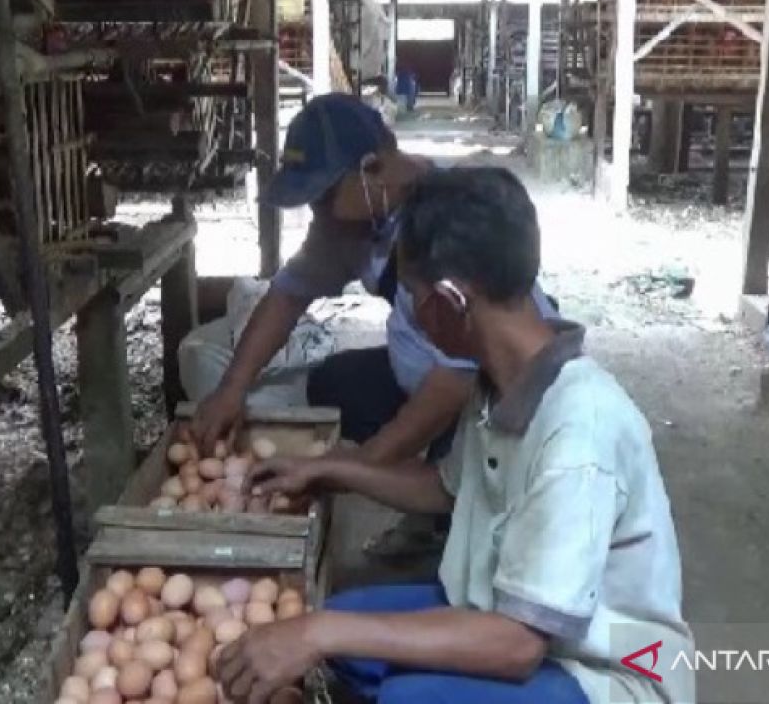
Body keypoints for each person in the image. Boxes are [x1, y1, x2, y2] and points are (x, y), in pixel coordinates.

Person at [216, 167, 694, 704]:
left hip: (602, 669)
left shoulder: (579, 429)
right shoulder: (500, 381)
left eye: (412, 294)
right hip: (497, 611)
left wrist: (316, 634)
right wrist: (333, 468)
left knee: (401, 691)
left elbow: (517, 647)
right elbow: (445, 488)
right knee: (338, 629)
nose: (409, 316)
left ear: (449, 301)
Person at [191, 93, 554, 556]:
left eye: (323, 197)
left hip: (486, 382)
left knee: (460, 458)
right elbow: (287, 295)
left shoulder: (444, 222)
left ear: (372, 169)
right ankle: (438, 500)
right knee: (335, 383)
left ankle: (455, 525)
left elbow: (454, 380)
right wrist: (232, 389)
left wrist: (359, 465)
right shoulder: (351, 224)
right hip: (435, 369)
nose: (318, 214)